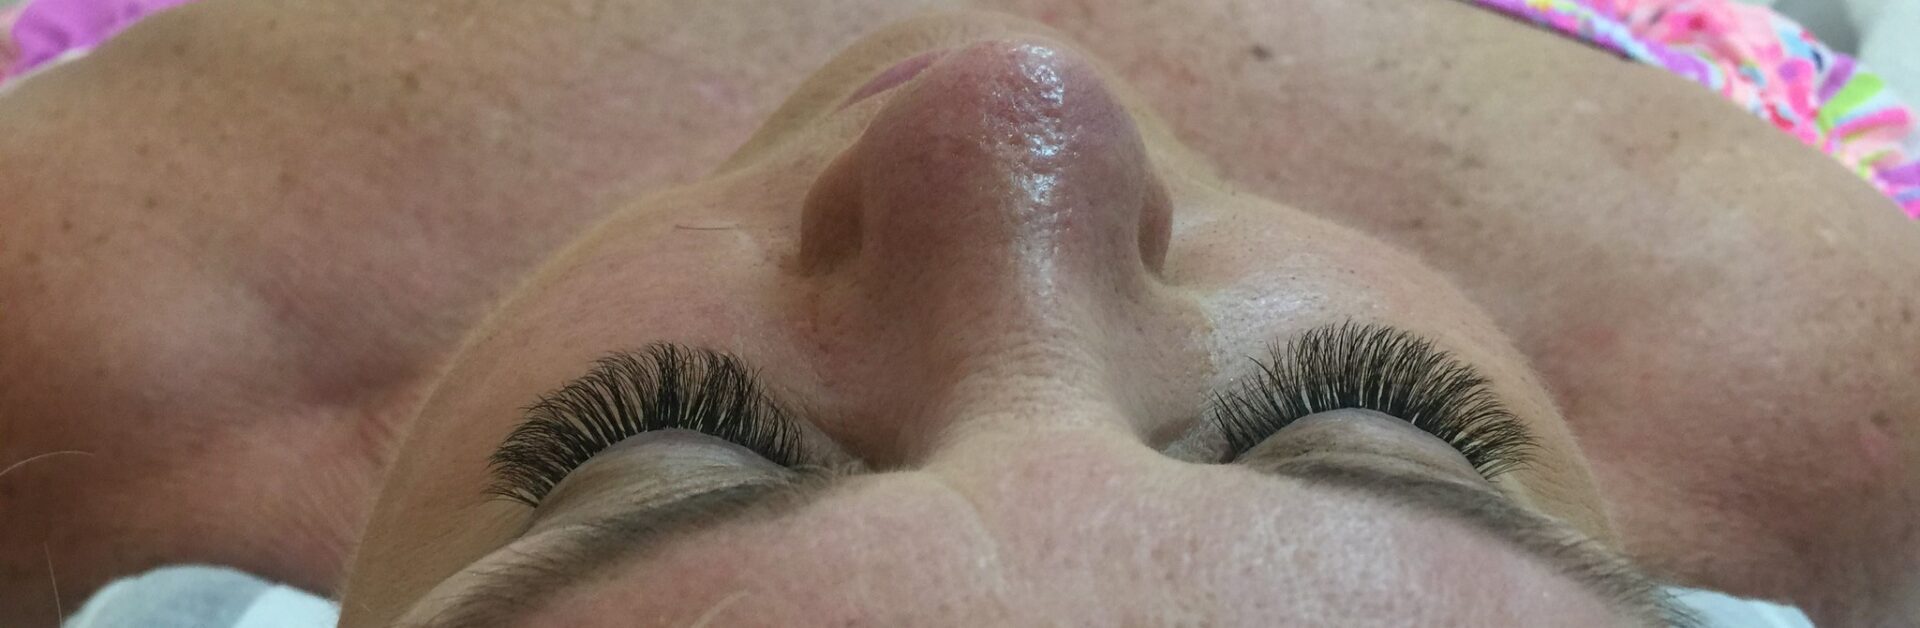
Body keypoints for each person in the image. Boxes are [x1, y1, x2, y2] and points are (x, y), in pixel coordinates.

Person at [1, 0, 1915, 626]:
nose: (1016, 107)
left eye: (672, 441)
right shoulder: (1839, 385)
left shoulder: (76, 322)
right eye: (1358, 416)